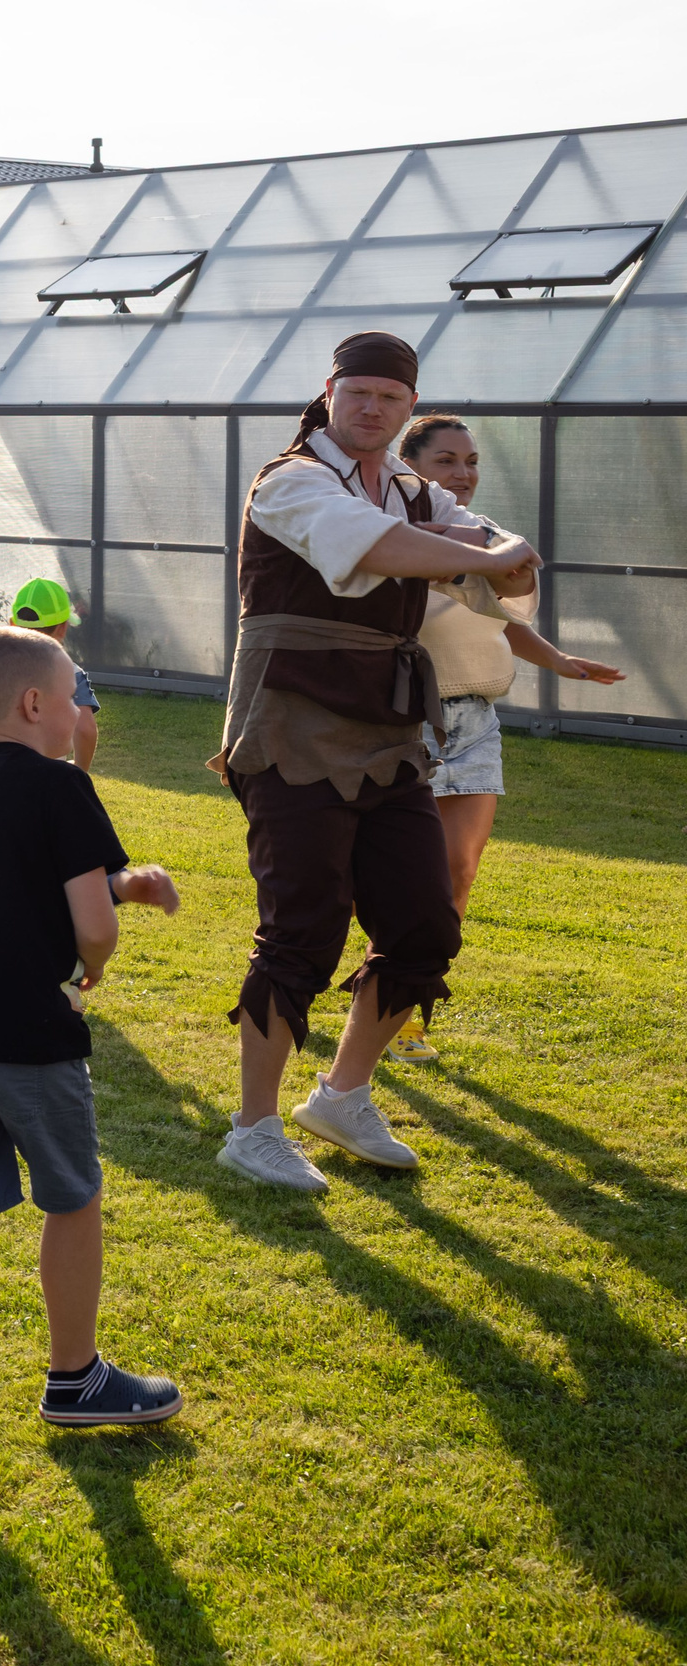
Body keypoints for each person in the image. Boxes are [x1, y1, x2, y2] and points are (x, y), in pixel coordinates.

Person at [211, 333, 541, 1192]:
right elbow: (378, 548)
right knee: (302, 931)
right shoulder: (292, 481)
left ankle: (342, 1095)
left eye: (391, 400)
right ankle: (252, 1127)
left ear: (406, 409)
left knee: (425, 923)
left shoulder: (410, 487)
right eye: (358, 393)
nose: (372, 409)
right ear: (329, 392)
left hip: (391, 731)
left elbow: (494, 557)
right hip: (292, 726)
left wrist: (491, 552)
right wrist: (483, 558)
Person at [0, 627, 184, 1462]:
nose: (81, 712)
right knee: (73, 1196)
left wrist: (129, 883)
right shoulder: (63, 786)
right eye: (73, 697)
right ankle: (75, 1378)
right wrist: (92, 965)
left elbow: (33, 885)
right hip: (26, 1035)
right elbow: (89, 925)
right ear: (34, 705)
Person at [384, 416, 625, 1064]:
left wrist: (562, 661)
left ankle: (406, 1017)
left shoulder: (483, 538)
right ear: (411, 468)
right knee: (400, 879)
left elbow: (501, 619)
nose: (463, 473)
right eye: (447, 461)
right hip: (403, 724)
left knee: (457, 876)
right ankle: (372, 979)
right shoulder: (392, 537)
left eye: (471, 460)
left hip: (474, 725)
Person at [0, 576, 101, 770]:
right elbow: (85, 729)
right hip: (42, 779)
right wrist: (80, 770)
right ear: (63, 628)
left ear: (12, 624)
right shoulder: (69, 673)